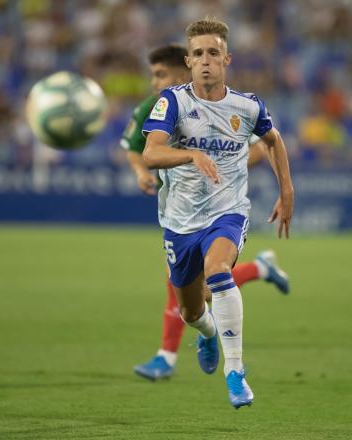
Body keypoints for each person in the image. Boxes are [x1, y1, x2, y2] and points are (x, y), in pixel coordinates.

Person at [142, 18, 294, 408]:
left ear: (227, 58)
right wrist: (191, 153)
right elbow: (152, 153)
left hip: (228, 211)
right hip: (179, 222)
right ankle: (207, 333)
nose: (205, 60)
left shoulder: (247, 106)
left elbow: (273, 141)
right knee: (192, 311)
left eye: (213, 53)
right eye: (198, 54)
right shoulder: (173, 102)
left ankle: (236, 372)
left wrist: (287, 190)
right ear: (189, 62)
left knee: (219, 270)